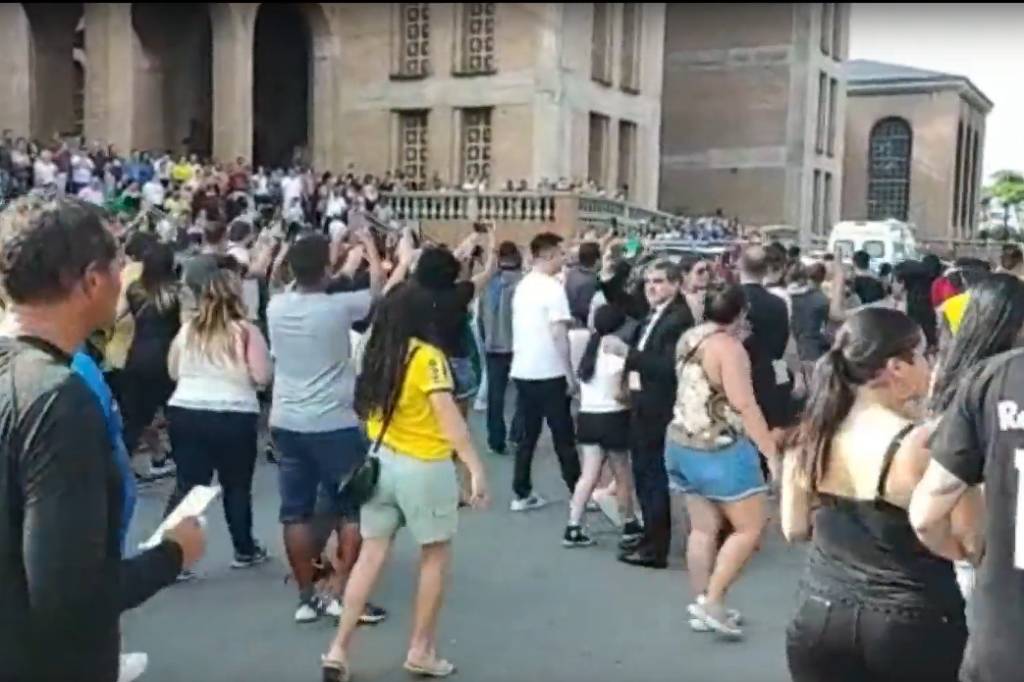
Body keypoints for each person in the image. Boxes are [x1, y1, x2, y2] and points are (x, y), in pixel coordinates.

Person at [0, 198, 204, 681]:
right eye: (118, 264)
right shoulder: (57, 400)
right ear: (91, 281)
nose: (125, 276)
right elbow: (70, 596)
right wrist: (173, 553)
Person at [785, 308, 967, 680]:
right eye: (923, 354)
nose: (930, 364)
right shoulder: (920, 443)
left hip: (820, 610)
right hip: (910, 619)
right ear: (896, 367)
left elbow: (794, 528)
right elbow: (966, 537)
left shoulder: (810, 435)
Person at [321, 283, 489, 682]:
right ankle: (421, 648)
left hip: (382, 462)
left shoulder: (373, 351)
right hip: (425, 466)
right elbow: (449, 419)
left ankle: (338, 648)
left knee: (371, 556)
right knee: (434, 555)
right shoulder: (427, 358)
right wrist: (474, 466)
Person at [269, 232, 386, 624]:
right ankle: (340, 589)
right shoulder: (338, 308)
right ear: (326, 268)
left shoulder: (276, 306)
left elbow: (277, 280)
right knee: (352, 508)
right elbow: (378, 292)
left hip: (286, 420)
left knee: (295, 512)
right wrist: (369, 248)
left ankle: (306, 597)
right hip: (333, 420)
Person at [665, 285, 774, 637]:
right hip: (720, 448)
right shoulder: (729, 348)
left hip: (682, 441)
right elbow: (744, 404)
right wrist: (772, 452)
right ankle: (713, 600)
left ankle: (703, 601)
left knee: (702, 528)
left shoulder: (691, 337)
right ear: (741, 313)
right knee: (750, 528)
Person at [165, 270, 271, 575]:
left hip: (186, 409)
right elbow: (262, 376)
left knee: (188, 485)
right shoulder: (245, 331)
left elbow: (173, 370)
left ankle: (171, 557)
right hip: (234, 413)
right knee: (236, 485)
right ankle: (243, 548)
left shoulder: (188, 330)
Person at [619, 260, 695, 569]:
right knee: (643, 472)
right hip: (642, 401)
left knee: (652, 475)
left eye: (660, 281)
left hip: (658, 406)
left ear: (676, 284)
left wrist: (629, 356)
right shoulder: (655, 313)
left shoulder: (678, 318)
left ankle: (656, 546)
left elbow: (668, 367)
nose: (652, 287)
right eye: (649, 281)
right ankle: (649, 535)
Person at [509, 232, 581, 511]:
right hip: (550, 371)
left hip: (524, 369)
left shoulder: (523, 286)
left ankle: (521, 491)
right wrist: (570, 375)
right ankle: (578, 489)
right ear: (549, 256)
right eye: (561, 254)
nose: (564, 259)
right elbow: (558, 333)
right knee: (563, 435)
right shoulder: (552, 289)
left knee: (528, 435)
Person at [563, 304, 640, 547]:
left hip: (588, 416)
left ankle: (573, 525)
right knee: (622, 473)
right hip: (614, 417)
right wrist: (633, 397)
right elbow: (618, 392)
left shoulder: (590, 349)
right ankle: (628, 523)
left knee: (589, 474)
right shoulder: (615, 350)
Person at [120, 242, 181, 470]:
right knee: (175, 412)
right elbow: (188, 325)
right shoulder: (177, 291)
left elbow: (115, 315)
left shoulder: (134, 290)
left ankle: (122, 465)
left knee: (135, 417)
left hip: (138, 355)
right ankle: (181, 460)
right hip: (168, 357)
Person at [478, 240, 525, 455]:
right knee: (523, 394)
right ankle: (517, 433)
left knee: (495, 397)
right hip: (518, 346)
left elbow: (479, 317)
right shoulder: (523, 284)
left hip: (493, 346)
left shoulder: (487, 284)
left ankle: (495, 439)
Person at [565, 241, 601, 326]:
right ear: (597, 260)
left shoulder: (573, 272)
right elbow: (586, 310)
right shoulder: (591, 281)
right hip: (580, 323)